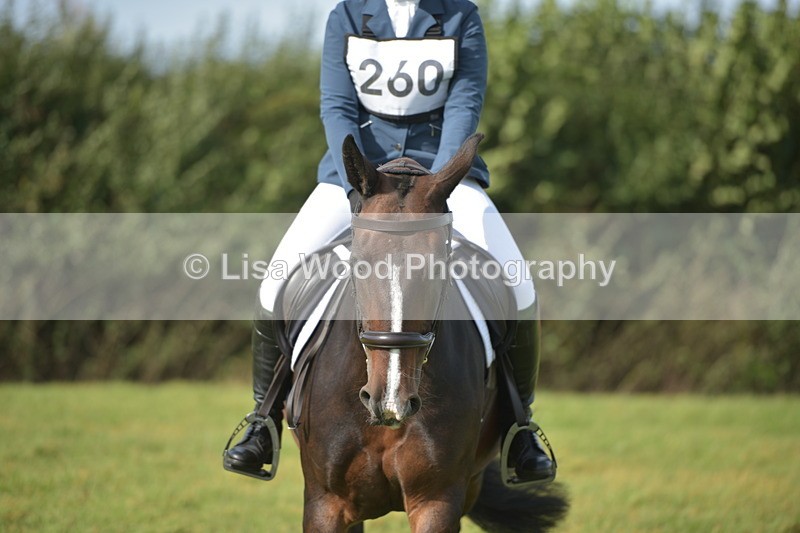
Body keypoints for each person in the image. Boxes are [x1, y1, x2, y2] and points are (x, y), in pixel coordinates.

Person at [224, 0, 555, 484]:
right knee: (275, 281)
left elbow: (464, 103)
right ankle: (262, 420)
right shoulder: (347, 14)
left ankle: (520, 430)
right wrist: (358, 182)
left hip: (441, 178)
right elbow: (337, 107)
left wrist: (434, 187)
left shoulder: (460, 15)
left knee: (519, 284)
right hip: (358, 178)